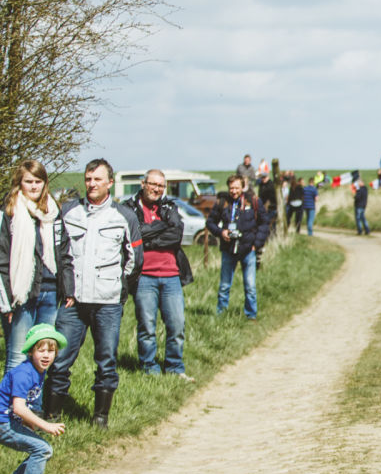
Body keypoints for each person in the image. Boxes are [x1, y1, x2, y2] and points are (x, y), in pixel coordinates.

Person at [45, 159, 142, 428]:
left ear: (110, 182)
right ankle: (51, 416)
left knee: (106, 361)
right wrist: (65, 288)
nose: (92, 184)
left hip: (107, 302)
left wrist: (117, 287)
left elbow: (135, 260)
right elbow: (57, 253)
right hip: (72, 302)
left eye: (98, 179)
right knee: (59, 360)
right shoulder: (68, 211)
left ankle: (100, 418)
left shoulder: (124, 216)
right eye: (88, 179)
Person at [122, 170, 194, 379]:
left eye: (160, 186)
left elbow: (176, 234)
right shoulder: (130, 208)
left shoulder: (169, 206)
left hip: (171, 275)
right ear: (143, 184)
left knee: (177, 325)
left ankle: (175, 367)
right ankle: (149, 368)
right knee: (146, 326)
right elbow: (135, 233)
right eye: (153, 184)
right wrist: (162, 227)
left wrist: (149, 239)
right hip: (144, 276)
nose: (156, 189)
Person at [0, 160, 66, 373]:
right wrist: (7, 302)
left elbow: (63, 251)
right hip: (21, 295)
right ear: (20, 183)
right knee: (18, 355)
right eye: (29, 181)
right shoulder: (10, 212)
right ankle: (10, 396)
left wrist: (67, 289)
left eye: (38, 181)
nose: (34, 186)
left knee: (42, 357)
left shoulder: (52, 212)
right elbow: (2, 258)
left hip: (50, 291)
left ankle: (35, 396)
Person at [0, 324, 67, 474]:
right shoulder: (24, 373)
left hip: (8, 420)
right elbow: (19, 407)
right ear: (30, 352)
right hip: (3, 422)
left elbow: (24, 403)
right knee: (42, 449)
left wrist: (29, 424)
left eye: (51, 351)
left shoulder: (38, 370)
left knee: (42, 449)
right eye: (41, 350)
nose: (46, 355)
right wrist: (46, 425)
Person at [206, 175, 269, 320]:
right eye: (231, 188)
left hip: (248, 249)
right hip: (228, 250)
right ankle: (221, 315)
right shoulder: (222, 202)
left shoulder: (253, 201)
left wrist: (256, 244)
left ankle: (251, 315)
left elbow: (264, 223)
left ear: (243, 187)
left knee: (250, 286)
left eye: (237, 188)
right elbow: (210, 222)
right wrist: (221, 232)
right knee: (224, 285)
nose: (234, 191)